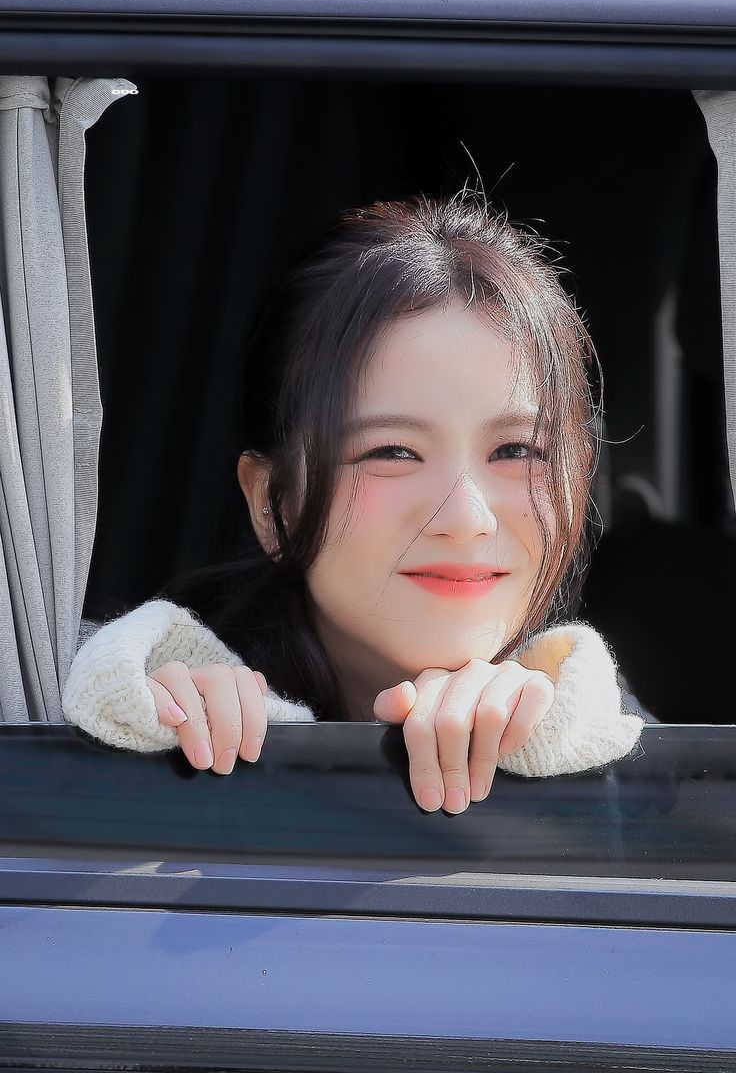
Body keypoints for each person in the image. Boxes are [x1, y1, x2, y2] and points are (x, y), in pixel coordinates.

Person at [63, 192, 645, 815]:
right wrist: (146, 717)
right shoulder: (167, 713)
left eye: (516, 450)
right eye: (392, 452)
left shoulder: (640, 779)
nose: (467, 519)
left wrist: (560, 740)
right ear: (273, 502)